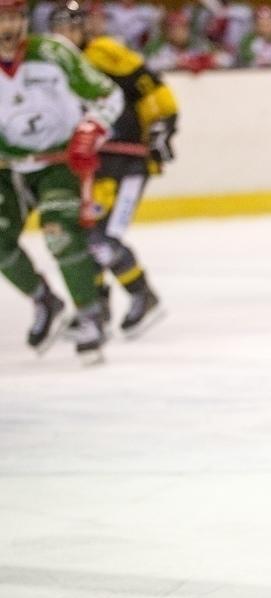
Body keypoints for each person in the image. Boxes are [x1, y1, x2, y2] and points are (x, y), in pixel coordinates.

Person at [0, 0, 123, 361]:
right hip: (8, 167)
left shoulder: (54, 53)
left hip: (58, 163)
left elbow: (108, 95)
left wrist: (90, 129)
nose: (10, 27)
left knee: (59, 231)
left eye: (15, 17)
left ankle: (90, 315)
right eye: (2, 19)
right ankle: (44, 301)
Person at [51, 0, 175, 335]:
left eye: (71, 27)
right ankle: (97, 308)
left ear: (83, 28)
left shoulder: (103, 52)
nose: (65, 35)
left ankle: (143, 296)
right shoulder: (52, 65)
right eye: (58, 29)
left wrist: (164, 124)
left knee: (102, 238)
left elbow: (150, 83)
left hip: (127, 162)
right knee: (86, 235)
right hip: (93, 165)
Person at [144, 9, 231, 72]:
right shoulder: (159, 47)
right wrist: (176, 63)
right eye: (173, 29)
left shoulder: (199, 45)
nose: (178, 32)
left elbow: (227, 60)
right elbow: (149, 65)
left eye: (182, 28)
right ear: (166, 32)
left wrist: (210, 60)